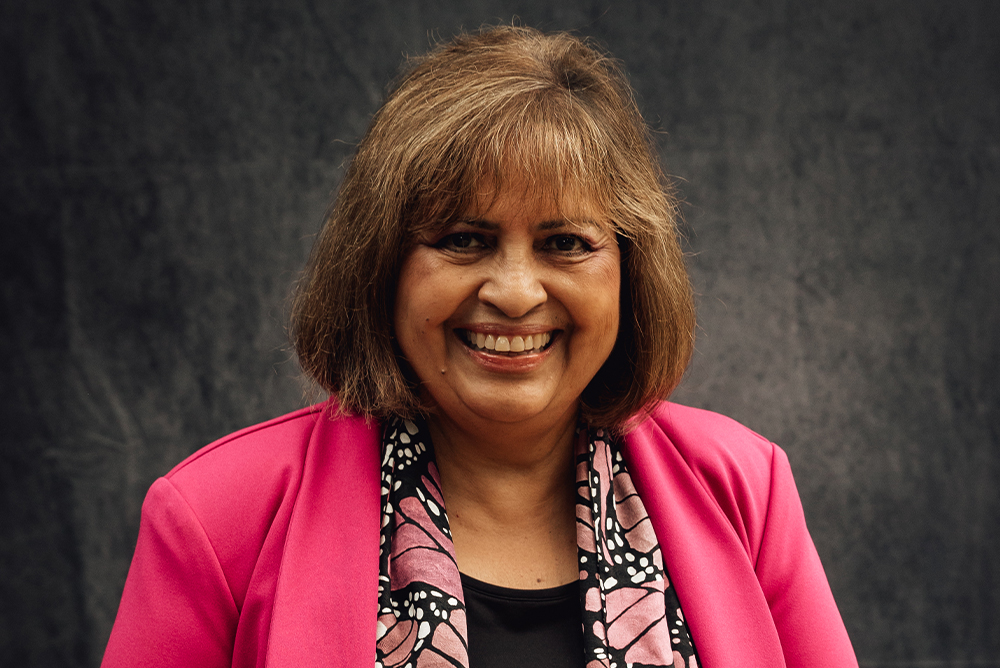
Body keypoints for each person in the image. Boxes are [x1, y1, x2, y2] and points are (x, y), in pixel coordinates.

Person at [102, 26, 858, 668]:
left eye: (565, 242)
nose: (517, 292)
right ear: (383, 266)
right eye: (464, 240)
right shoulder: (214, 519)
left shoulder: (744, 489)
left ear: (629, 268)